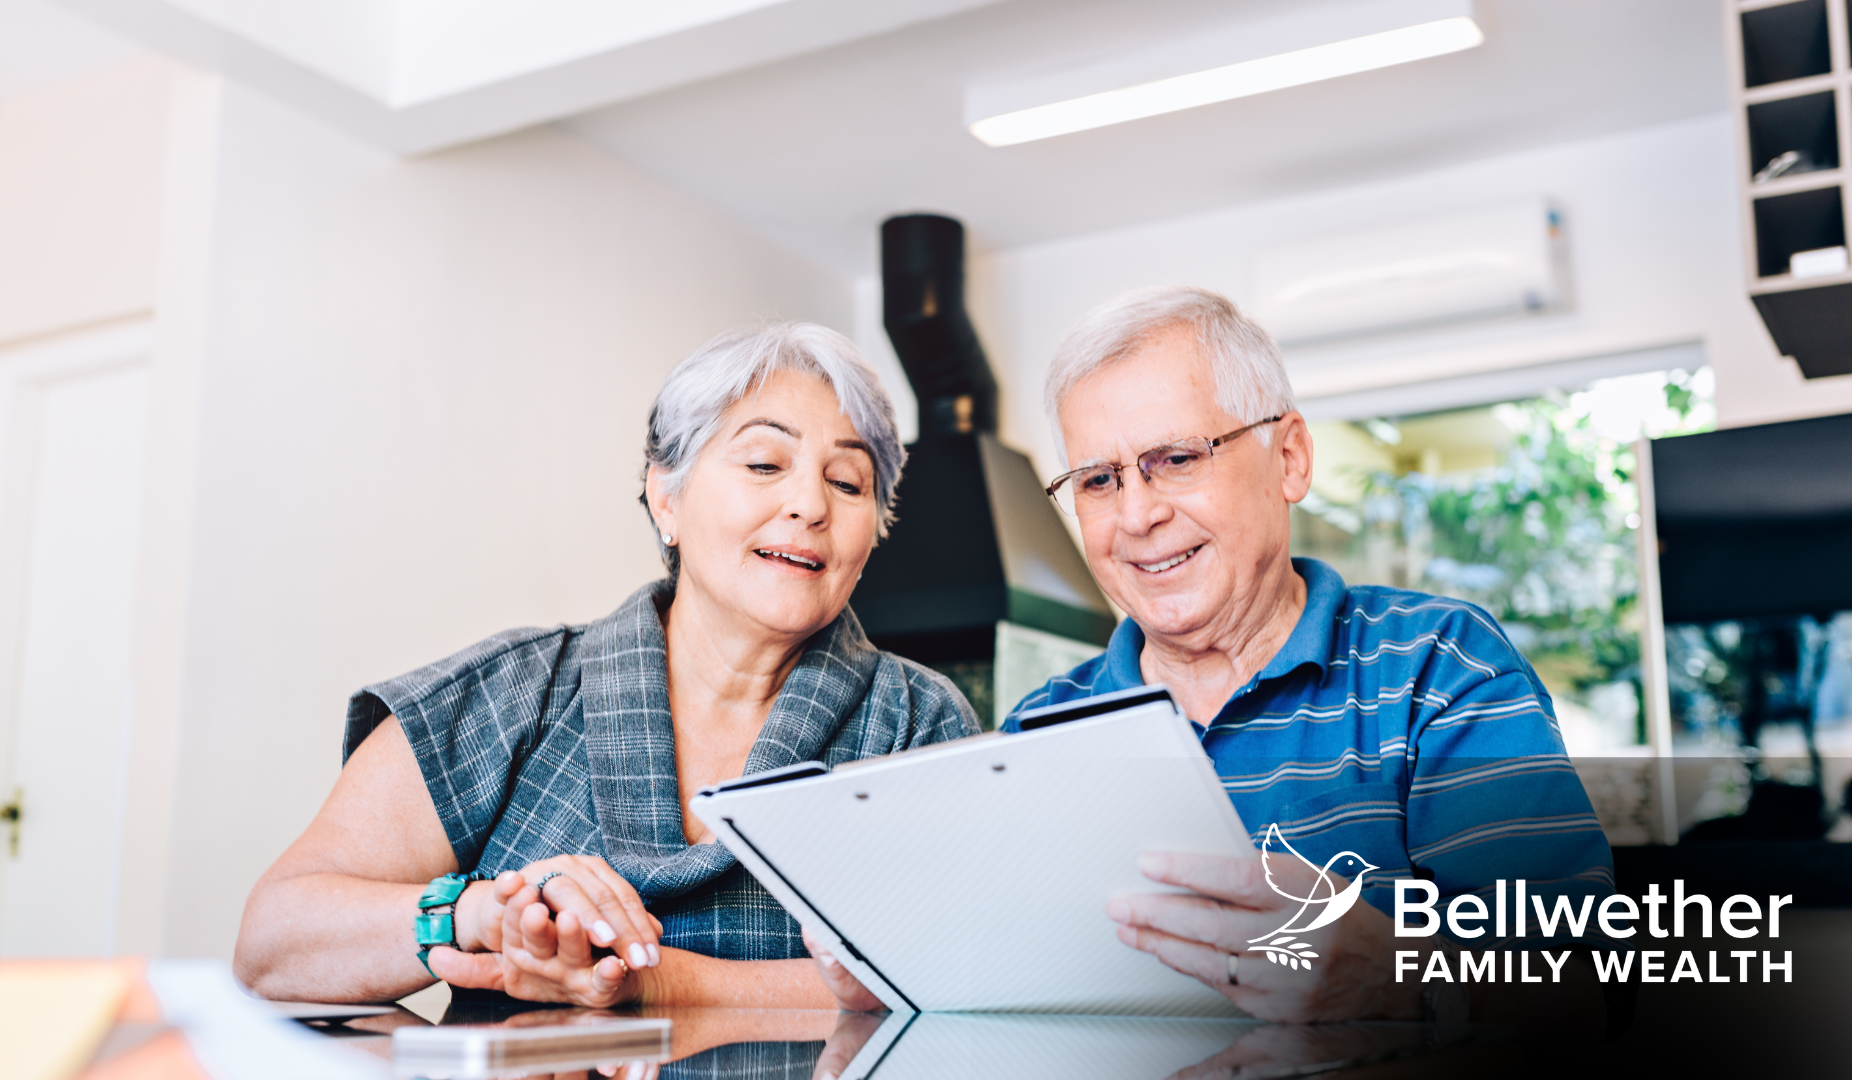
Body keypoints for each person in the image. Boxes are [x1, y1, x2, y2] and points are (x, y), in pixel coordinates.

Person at [234, 323, 975, 1008]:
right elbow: (271, 945)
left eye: (848, 483)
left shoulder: (918, 722)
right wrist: (486, 912)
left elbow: (961, 977)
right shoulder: (515, 691)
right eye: (763, 462)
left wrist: (651, 981)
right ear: (667, 497)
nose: (810, 503)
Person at [1010, 286, 1612, 1029]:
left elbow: (1584, 989)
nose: (1137, 515)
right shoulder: (1037, 731)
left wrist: (1397, 978)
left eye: (1175, 458)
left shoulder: (1439, 668)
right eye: (1099, 480)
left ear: (1288, 458)